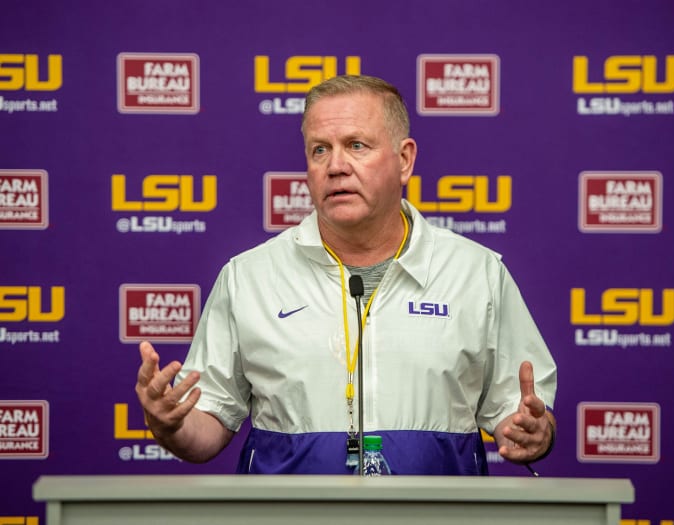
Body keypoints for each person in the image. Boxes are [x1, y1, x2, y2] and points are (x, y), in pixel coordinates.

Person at [135, 74, 557, 475]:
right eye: (320, 149)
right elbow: (207, 424)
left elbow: (518, 414)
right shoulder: (249, 277)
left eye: (356, 145)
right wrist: (170, 425)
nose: (335, 165)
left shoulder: (475, 273)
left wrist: (535, 431)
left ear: (404, 159)